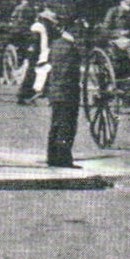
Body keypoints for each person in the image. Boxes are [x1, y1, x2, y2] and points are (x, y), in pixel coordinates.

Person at [44, 13, 82, 168]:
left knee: (56, 124)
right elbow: (70, 72)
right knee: (67, 126)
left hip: (55, 90)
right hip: (67, 91)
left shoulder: (56, 44)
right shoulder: (71, 48)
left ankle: (52, 156)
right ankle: (64, 159)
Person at [9, 0, 42, 104]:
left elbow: (14, 21)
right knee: (33, 64)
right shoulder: (31, 9)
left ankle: (26, 90)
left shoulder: (18, 8)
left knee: (29, 63)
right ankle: (27, 91)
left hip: (22, 36)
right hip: (29, 36)